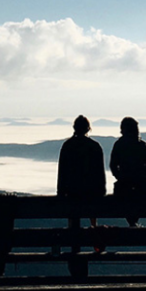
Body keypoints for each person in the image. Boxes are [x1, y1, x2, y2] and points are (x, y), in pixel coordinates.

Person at [57, 115, 106, 268]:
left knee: (73, 227)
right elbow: (100, 172)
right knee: (93, 223)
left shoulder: (67, 146)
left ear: (74, 128)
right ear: (88, 128)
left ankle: (74, 257)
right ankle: (95, 247)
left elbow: (62, 172)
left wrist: (60, 193)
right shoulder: (94, 146)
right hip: (91, 194)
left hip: (72, 194)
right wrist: (101, 190)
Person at [109, 117, 146, 227]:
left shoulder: (119, 145)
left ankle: (132, 223)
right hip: (141, 188)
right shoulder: (144, 145)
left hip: (123, 188)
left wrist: (121, 177)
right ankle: (134, 223)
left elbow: (113, 165)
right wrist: (142, 177)